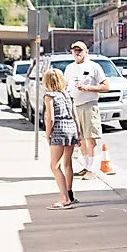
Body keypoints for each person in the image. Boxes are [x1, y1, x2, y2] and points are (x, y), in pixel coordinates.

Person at [64, 41, 109, 179]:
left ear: (86, 51)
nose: (77, 52)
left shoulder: (94, 67)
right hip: (74, 106)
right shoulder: (69, 68)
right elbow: (65, 85)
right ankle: (86, 166)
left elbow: (106, 86)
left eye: (80, 50)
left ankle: (92, 169)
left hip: (89, 105)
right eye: (74, 50)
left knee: (90, 138)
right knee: (81, 139)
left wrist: (88, 88)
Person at [43, 68, 81, 210]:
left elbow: (50, 118)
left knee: (54, 165)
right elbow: (75, 116)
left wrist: (48, 134)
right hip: (71, 128)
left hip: (59, 129)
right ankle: (70, 194)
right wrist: (78, 133)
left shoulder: (49, 96)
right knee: (67, 163)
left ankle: (64, 199)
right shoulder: (68, 95)